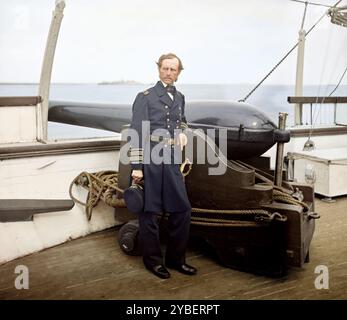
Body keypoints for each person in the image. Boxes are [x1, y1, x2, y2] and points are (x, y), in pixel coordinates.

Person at [129, 53, 197, 279]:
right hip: (150, 158)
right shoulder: (145, 97)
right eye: (165, 68)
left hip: (172, 158)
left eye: (173, 70)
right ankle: (153, 262)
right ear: (159, 69)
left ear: (179, 73)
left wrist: (183, 133)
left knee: (182, 210)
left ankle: (176, 260)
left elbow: (182, 121)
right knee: (150, 212)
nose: (169, 73)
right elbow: (136, 133)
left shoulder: (180, 97)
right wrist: (136, 166)